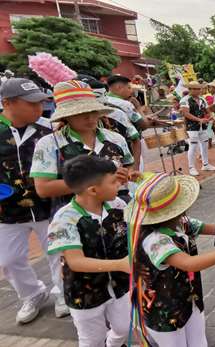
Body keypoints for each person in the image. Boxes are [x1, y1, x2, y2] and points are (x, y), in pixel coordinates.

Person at [129, 173, 215, 347]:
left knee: (199, 342)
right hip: (164, 311)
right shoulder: (153, 239)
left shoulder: (179, 222)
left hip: (189, 300)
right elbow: (187, 263)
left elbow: (210, 228)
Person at [0, 78, 67, 323]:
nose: (39, 108)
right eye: (31, 103)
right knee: (9, 260)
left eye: (41, 102)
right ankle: (32, 293)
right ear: (7, 103)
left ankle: (62, 293)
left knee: (56, 251)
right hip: (6, 209)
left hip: (47, 206)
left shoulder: (49, 130)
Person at [46, 155, 131, 347]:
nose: (119, 183)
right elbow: (76, 262)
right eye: (113, 181)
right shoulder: (65, 218)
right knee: (92, 339)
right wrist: (120, 264)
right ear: (93, 190)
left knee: (124, 327)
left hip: (119, 284)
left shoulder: (118, 205)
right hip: (84, 292)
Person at [31, 80, 135, 213]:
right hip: (75, 217)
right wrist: (99, 181)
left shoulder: (115, 139)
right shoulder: (50, 144)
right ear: (66, 116)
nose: (90, 117)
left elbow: (128, 165)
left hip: (118, 212)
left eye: (93, 111)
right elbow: (43, 188)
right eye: (81, 113)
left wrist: (128, 174)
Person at [179, 81, 215, 176]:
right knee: (193, 146)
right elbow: (186, 113)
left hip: (203, 126)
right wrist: (199, 120)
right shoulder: (185, 100)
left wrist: (211, 116)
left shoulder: (202, 99)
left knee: (204, 144)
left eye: (199, 88)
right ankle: (191, 167)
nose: (198, 90)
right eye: (195, 88)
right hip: (192, 127)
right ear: (190, 89)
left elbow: (207, 110)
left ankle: (206, 164)